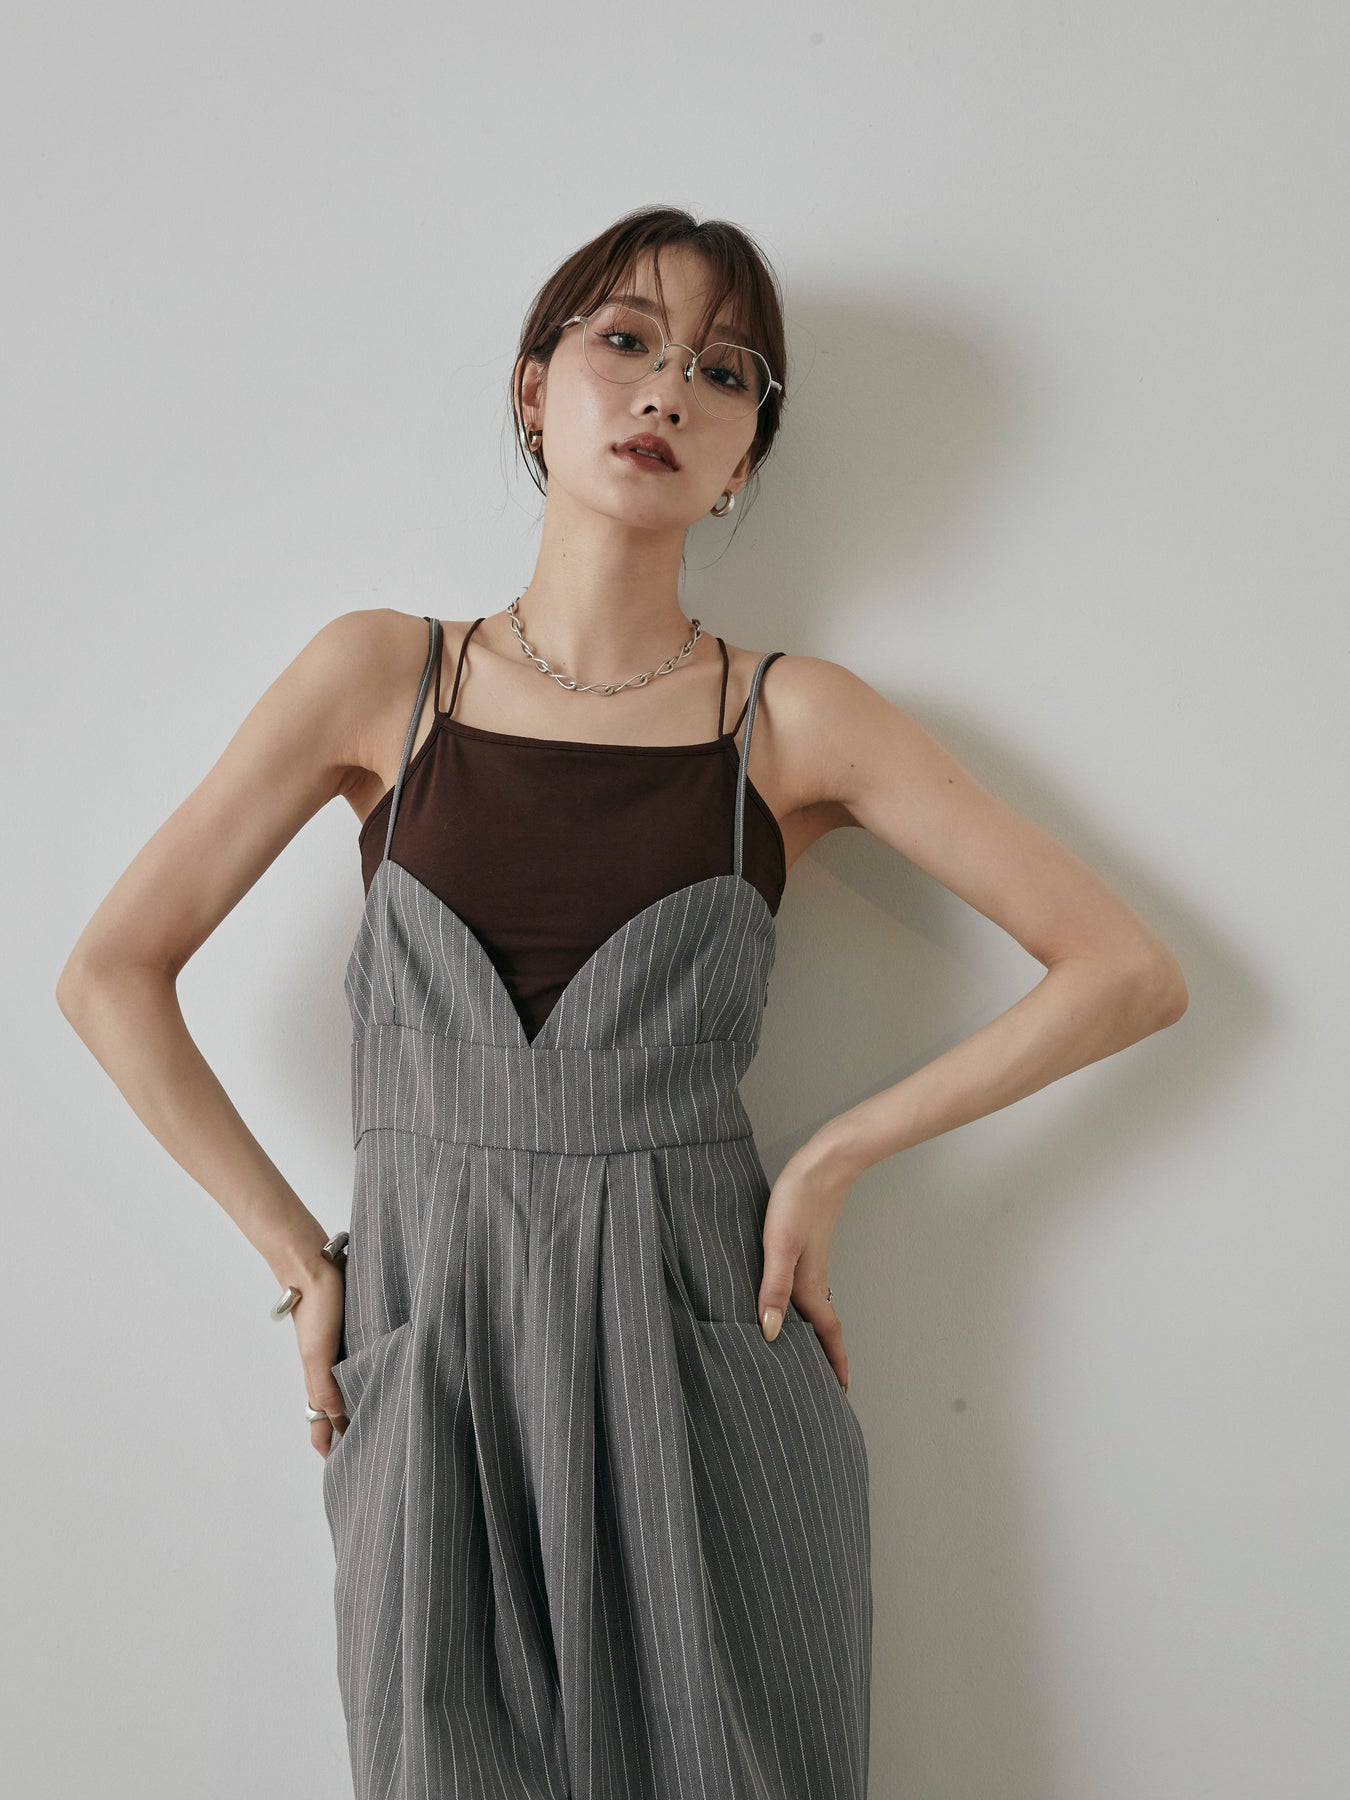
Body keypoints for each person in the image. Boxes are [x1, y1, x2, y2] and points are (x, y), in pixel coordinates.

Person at [55, 204, 1188, 1798]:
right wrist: (302, 1262)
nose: (667, 389)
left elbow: (1123, 973)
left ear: (742, 459)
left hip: (700, 1360)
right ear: (535, 389)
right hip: (436, 1361)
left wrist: (833, 1155)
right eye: (626, 341)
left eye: (722, 373)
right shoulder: (383, 677)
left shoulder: (788, 720)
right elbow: (109, 974)